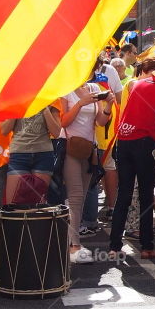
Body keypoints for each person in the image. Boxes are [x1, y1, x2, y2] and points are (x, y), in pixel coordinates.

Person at [109, 56, 155, 260]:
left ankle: (114, 247)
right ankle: (146, 246)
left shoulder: (138, 84)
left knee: (123, 195)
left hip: (124, 139)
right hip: (145, 142)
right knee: (145, 195)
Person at [60, 80, 112, 264]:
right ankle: (74, 245)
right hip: (70, 148)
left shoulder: (94, 88)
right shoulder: (65, 89)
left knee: (79, 198)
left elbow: (100, 121)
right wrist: (81, 103)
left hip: (89, 149)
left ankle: (70, 238)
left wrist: (109, 105)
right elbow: (63, 121)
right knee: (75, 196)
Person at [0, 106, 62, 204]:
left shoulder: (51, 100)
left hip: (43, 154)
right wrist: (17, 106)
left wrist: (44, 108)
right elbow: (4, 130)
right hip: (19, 154)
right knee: (13, 204)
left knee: (38, 204)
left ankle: (37, 220)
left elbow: (57, 133)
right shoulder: (12, 101)